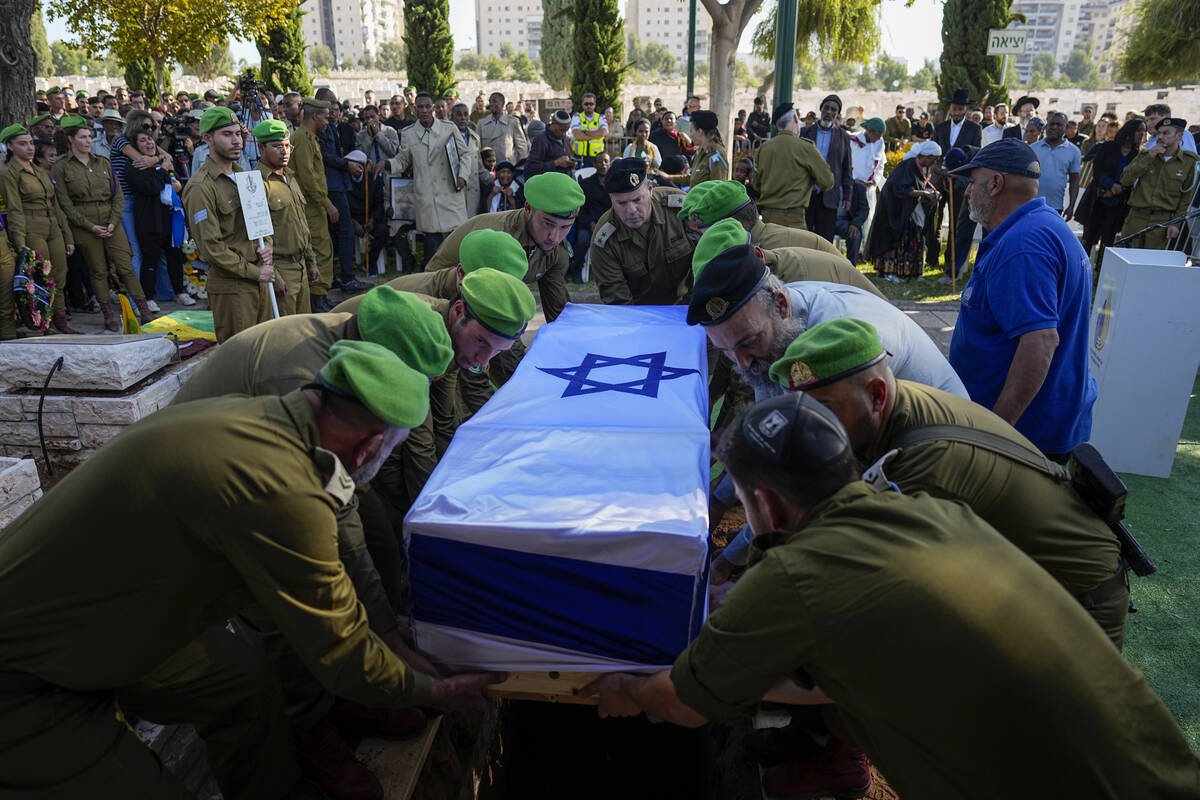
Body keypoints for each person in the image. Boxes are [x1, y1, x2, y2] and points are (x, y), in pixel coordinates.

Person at [580, 391, 1200, 800]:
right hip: (1157, 768)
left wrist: (627, 690)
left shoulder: (799, 573)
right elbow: (837, 680)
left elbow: (683, 704)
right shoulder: (930, 514)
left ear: (764, 505)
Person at [0, 340, 504, 798]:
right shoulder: (280, 488)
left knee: (239, 682)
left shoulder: (273, 417)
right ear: (371, 447)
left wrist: (392, 638)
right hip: (26, 680)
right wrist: (435, 691)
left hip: (96, 617)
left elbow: (345, 517)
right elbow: (343, 655)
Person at [772, 316, 1129, 646]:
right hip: (1025, 580)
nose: (813, 428)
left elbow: (873, 582)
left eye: (825, 409)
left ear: (877, 395)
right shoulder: (896, 405)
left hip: (1077, 598)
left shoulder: (922, 464)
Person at [334, 270, 537, 515]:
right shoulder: (424, 338)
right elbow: (413, 438)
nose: (482, 362)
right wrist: (429, 511)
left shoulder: (454, 336)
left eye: (496, 351)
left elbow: (444, 419)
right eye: (482, 342)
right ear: (459, 311)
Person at [949, 139, 1097, 459]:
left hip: (1026, 436)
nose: (967, 192)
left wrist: (997, 433)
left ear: (996, 184)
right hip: (1038, 426)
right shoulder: (1042, 226)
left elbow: (1040, 341)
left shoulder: (1024, 245)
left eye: (973, 182)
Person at [421, 172, 584, 322]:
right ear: (528, 209)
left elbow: (558, 312)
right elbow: (496, 317)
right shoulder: (498, 239)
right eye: (548, 223)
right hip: (437, 301)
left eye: (565, 227)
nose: (554, 237)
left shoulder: (557, 250)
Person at [181, 107, 276, 343]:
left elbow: (261, 223)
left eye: (238, 133)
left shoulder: (244, 176)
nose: (236, 141)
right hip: (232, 286)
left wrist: (268, 247)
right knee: (240, 357)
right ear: (207, 139)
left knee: (263, 351)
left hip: (259, 279)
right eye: (226, 134)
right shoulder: (201, 187)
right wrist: (257, 272)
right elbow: (211, 248)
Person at [51, 117, 155, 330]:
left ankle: (144, 311)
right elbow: (65, 204)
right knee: (98, 270)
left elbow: (117, 196)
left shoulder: (103, 162)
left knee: (125, 266)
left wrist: (113, 221)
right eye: (82, 137)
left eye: (90, 136)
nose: (88, 141)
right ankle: (108, 314)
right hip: (85, 223)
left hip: (111, 220)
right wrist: (90, 226)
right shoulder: (61, 166)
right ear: (71, 139)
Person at [1, 124, 78, 333]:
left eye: (30, 143)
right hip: (30, 225)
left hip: (52, 224)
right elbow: (14, 209)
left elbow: (54, 204)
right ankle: (47, 323)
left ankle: (61, 319)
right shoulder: (8, 173)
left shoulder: (39, 169)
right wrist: (19, 241)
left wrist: (67, 235)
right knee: (43, 276)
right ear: (9, 146)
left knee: (61, 272)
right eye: (22, 144)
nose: (29, 148)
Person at [589, 158, 694, 306]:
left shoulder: (681, 210)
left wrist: (690, 310)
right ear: (611, 199)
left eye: (637, 200)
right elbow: (617, 299)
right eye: (621, 203)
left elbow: (705, 269)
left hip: (684, 308)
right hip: (637, 315)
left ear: (650, 189)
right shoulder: (605, 239)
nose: (631, 211)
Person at [385, 91, 472, 263]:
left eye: (427, 106)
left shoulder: (449, 128)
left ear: (433, 109)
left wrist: (462, 175)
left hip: (450, 195)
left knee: (456, 248)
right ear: (414, 110)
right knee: (433, 252)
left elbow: (466, 154)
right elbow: (402, 161)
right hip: (427, 200)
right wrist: (387, 164)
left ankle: (459, 284)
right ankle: (434, 286)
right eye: (420, 107)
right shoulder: (409, 133)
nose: (424, 110)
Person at [677, 179, 846, 259]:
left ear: (726, 227)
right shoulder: (769, 238)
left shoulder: (763, 256)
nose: (700, 244)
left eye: (699, 235)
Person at [252, 119, 319, 315]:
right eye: (277, 146)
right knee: (285, 334)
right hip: (280, 269)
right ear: (261, 147)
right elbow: (259, 237)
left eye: (287, 146)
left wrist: (311, 262)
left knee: (304, 327)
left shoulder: (289, 177)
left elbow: (302, 225)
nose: (284, 151)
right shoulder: (257, 183)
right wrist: (276, 276)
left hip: (301, 268)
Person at [126, 129, 191, 316]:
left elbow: (174, 180)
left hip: (168, 219)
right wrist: (164, 171)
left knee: (174, 258)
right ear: (136, 146)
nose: (149, 143)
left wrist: (176, 182)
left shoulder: (164, 162)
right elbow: (152, 187)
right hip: (149, 221)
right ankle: (148, 298)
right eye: (143, 141)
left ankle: (180, 292)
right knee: (150, 260)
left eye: (150, 140)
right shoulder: (135, 167)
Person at [315, 90, 373, 297]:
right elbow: (325, 157)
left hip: (339, 184)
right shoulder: (319, 129)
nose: (332, 108)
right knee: (344, 231)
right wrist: (347, 165)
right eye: (328, 103)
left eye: (334, 103)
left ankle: (338, 276)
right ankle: (346, 278)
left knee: (340, 233)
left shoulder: (334, 127)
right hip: (331, 186)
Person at [1116, 117, 1200, 250]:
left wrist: (1175, 224)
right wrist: (1150, 156)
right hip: (1136, 217)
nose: (1160, 137)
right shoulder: (1146, 155)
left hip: (1162, 222)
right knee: (1128, 261)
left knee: (1151, 264)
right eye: (1159, 133)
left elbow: (1186, 198)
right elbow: (1125, 180)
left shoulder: (1189, 162)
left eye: (1166, 133)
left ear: (1179, 136)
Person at [290, 98, 341, 312]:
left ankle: (321, 294)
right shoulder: (301, 139)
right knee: (317, 248)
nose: (327, 122)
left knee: (323, 247)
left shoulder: (309, 137)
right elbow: (307, 177)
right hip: (310, 204)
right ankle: (317, 299)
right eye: (325, 118)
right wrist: (327, 203)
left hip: (315, 204)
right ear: (314, 116)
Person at [752, 103, 834, 230]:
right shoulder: (806, 147)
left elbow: (756, 184)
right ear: (796, 119)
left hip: (767, 221)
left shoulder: (763, 149)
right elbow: (827, 181)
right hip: (793, 221)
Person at [866, 141, 941, 281]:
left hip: (909, 209)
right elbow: (900, 189)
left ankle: (912, 272)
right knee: (898, 238)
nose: (934, 163)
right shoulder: (907, 166)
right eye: (934, 159)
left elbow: (921, 184)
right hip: (894, 209)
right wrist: (924, 194)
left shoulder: (922, 168)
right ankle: (891, 272)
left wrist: (933, 193)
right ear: (928, 156)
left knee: (915, 237)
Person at [1077, 118, 1146, 266]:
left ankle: (1101, 272)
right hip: (1098, 198)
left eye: (1144, 131)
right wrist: (1109, 186)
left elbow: (1135, 176)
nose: (1142, 134)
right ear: (1129, 131)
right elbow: (1098, 169)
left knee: (1108, 240)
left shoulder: (1138, 154)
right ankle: (1081, 269)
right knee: (1088, 237)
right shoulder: (1107, 147)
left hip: (1119, 203)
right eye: (1139, 130)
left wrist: (1118, 189)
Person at [1031, 111, 1082, 219]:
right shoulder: (1033, 148)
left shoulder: (1073, 151)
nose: (1054, 127)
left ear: (1066, 127)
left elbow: (1074, 180)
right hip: (1031, 204)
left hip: (1055, 207)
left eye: (1059, 125)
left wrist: (1071, 206)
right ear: (1046, 126)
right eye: (1051, 124)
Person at [451, 102, 494, 218]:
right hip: (455, 192)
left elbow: (478, 167)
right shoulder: (447, 138)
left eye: (465, 114)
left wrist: (494, 180)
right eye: (459, 115)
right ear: (452, 117)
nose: (463, 118)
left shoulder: (475, 138)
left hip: (473, 194)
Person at [574, 150, 611, 280]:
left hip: (609, 223)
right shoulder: (586, 184)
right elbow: (580, 209)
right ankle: (577, 270)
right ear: (595, 164)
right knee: (582, 239)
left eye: (606, 161)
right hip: (589, 223)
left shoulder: (614, 185)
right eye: (600, 161)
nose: (603, 164)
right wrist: (590, 223)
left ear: (610, 164)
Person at [848, 117, 886, 236]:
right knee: (851, 215)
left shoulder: (880, 142)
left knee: (868, 217)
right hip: (852, 187)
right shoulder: (852, 141)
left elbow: (881, 165)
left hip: (869, 189)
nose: (879, 138)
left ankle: (863, 251)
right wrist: (854, 180)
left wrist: (874, 181)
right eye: (877, 135)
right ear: (869, 131)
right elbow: (846, 164)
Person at [675, 110, 728, 188]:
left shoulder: (715, 154)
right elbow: (693, 179)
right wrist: (668, 177)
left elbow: (718, 187)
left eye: (691, 131)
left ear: (699, 131)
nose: (690, 135)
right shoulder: (700, 152)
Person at [478, 92, 529, 164]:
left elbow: (522, 147)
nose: (491, 104)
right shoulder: (482, 124)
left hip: (508, 169)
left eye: (495, 101)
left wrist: (520, 167)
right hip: (488, 169)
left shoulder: (512, 122)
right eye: (490, 102)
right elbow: (477, 148)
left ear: (502, 103)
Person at [525, 109, 575, 178]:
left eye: (566, 130)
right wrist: (556, 163)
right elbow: (532, 168)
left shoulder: (564, 138)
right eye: (561, 130)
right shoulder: (541, 140)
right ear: (553, 124)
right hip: (549, 185)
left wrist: (570, 163)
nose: (564, 134)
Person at [934, 88, 983, 152]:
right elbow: (933, 151)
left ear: (966, 109)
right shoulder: (940, 128)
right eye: (954, 109)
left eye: (960, 109)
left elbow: (976, 153)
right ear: (950, 108)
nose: (956, 113)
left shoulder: (975, 129)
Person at [569, 92, 608, 168]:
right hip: (579, 157)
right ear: (582, 105)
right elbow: (577, 135)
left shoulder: (601, 117)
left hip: (597, 158)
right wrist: (595, 135)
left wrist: (584, 132)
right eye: (586, 104)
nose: (589, 106)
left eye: (591, 104)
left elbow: (603, 132)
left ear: (595, 105)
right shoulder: (577, 117)